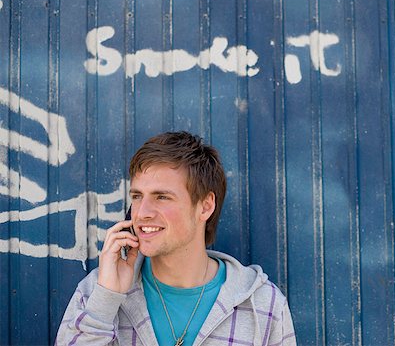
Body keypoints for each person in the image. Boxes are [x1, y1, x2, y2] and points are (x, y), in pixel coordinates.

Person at [56, 131, 296, 346]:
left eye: (162, 197)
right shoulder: (98, 290)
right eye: (138, 196)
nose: (142, 212)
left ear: (205, 206)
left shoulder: (263, 304)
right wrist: (107, 299)